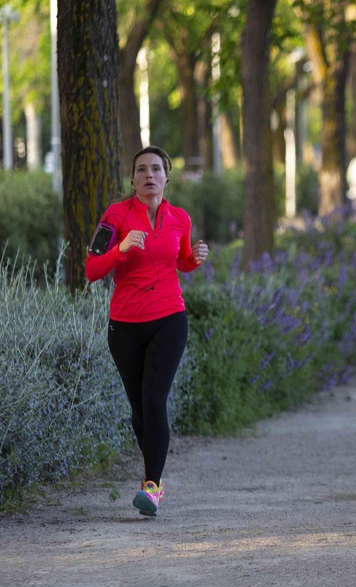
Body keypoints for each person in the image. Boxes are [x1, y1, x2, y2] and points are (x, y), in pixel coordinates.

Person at [86, 146, 209, 517]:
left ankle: (152, 487)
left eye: (156, 169)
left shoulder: (180, 218)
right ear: (133, 179)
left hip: (170, 318)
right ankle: (150, 477)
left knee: (154, 401)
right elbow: (92, 270)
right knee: (140, 410)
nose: (149, 175)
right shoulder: (116, 215)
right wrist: (121, 248)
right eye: (141, 169)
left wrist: (195, 259)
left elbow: (181, 260)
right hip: (124, 326)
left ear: (166, 178)